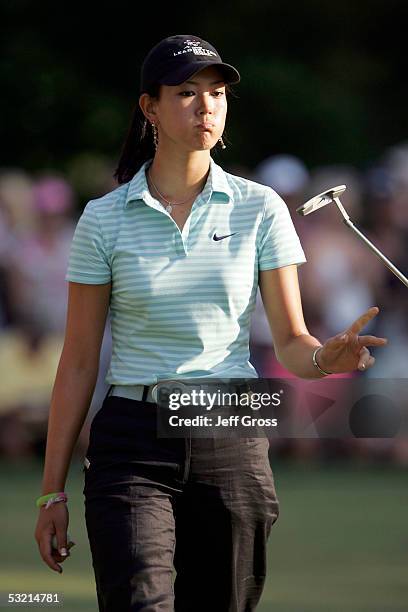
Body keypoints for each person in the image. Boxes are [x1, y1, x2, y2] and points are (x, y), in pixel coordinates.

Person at [34, 34, 389, 612]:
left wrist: (327, 357)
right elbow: (77, 361)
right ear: (150, 108)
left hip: (230, 418)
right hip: (132, 433)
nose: (207, 106)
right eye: (187, 92)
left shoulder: (261, 206)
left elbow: (294, 342)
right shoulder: (103, 220)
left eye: (217, 93)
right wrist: (51, 491)